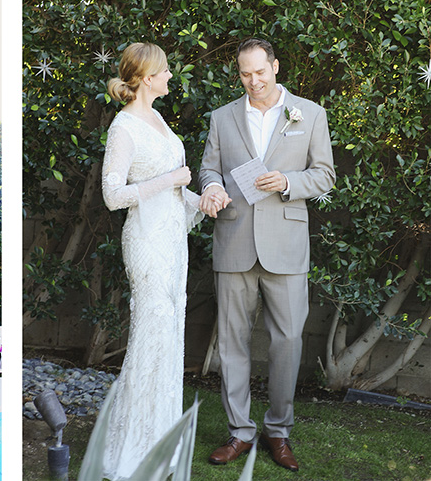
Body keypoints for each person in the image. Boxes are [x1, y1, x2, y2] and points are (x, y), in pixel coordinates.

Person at [198, 38, 335, 473]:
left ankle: (279, 431)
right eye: (245, 74)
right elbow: (208, 168)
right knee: (232, 343)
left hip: (286, 246)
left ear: (275, 66)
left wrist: (289, 181)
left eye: (260, 71)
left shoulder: (309, 114)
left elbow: (325, 175)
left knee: (288, 342)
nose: (253, 81)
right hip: (234, 240)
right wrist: (212, 188)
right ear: (238, 73)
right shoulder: (222, 118)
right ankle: (240, 432)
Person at [80, 42, 203, 481]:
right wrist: (169, 178)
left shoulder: (159, 120)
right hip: (147, 244)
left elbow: (172, 193)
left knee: (169, 339)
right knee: (150, 337)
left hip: (173, 243)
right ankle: (129, 451)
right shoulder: (124, 128)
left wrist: (202, 200)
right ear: (147, 78)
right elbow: (114, 195)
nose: (171, 76)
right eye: (165, 71)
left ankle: (159, 445)